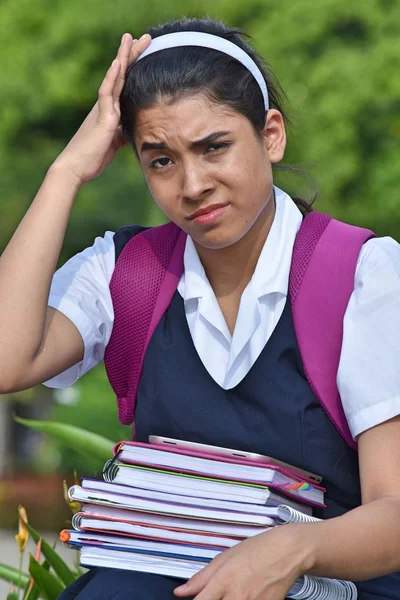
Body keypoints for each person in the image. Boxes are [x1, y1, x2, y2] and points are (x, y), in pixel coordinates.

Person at [0, 15, 400, 600]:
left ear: (271, 135)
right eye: (160, 159)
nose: (192, 185)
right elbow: (9, 361)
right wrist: (66, 171)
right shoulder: (127, 270)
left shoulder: (362, 275)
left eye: (214, 147)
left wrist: (295, 547)